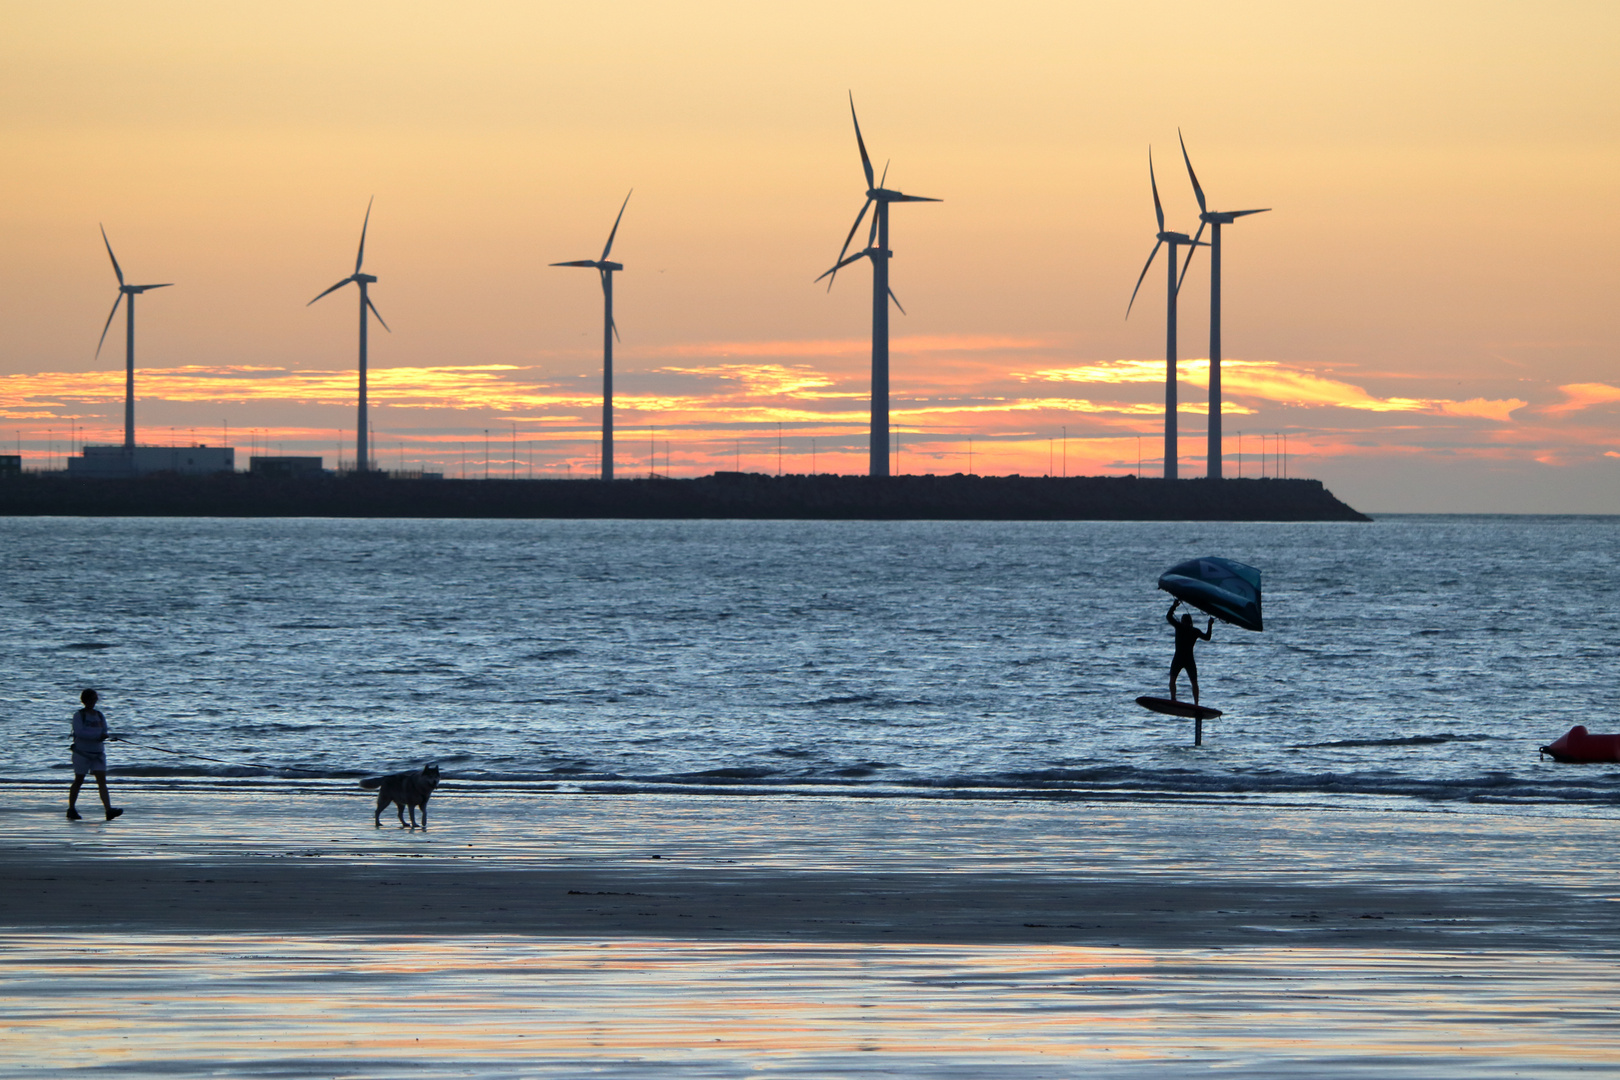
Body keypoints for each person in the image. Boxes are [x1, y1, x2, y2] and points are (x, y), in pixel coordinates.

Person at [68, 689, 122, 821]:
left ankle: (108, 810)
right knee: (79, 780)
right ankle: (71, 808)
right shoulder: (79, 715)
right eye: (91, 699)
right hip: (82, 753)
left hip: (98, 752)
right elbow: (80, 732)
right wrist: (97, 736)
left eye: (95, 699)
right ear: (84, 700)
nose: (93, 701)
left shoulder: (99, 715)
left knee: (102, 781)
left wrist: (104, 736)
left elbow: (104, 730)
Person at [1166, 599, 1214, 705]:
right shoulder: (1192, 630)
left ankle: (1177, 699)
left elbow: (1169, 617)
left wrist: (1174, 606)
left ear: (1186, 622)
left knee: (1182, 680)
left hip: (1181, 658)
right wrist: (1210, 625)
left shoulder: (1182, 628)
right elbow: (1207, 637)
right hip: (1186, 659)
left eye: (1185, 622)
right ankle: (1189, 702)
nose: (1184, 623)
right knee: (1188, 681)